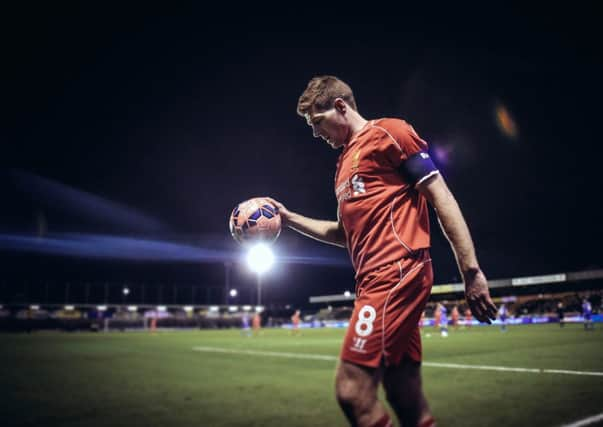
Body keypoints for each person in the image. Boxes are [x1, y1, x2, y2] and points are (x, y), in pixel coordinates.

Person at [266, 75, 497, 427]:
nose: (315, 133)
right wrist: (288, 219)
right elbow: (344, 233)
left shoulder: (391, 132)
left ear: (341, 107)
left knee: (352, 391)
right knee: (405, 395)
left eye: (317, 122)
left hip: (396, 273)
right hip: (374, 280)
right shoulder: (343, 166)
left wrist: (471, 271)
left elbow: (441, 197)